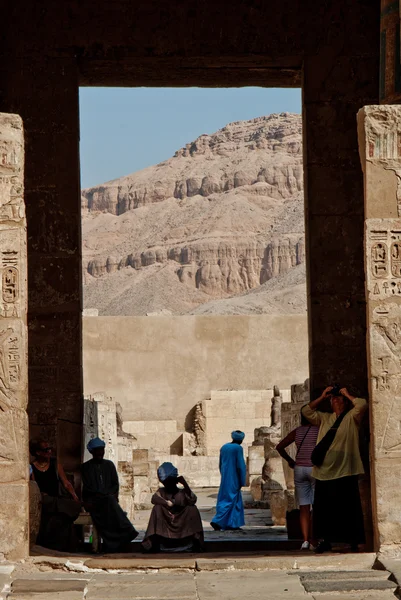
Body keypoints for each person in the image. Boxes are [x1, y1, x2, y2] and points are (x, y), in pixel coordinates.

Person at [302, 386, 367, 554]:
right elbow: (306, 411)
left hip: (346, 469)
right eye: (333, 399)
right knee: (324, 511)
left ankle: (353, 540)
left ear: (345, 402)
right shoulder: (324, 418)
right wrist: (322, 396)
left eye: (339, 399)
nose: (336, 401)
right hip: (325, 471)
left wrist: (346, 393)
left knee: (349, 509)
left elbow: (362, 404)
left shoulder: (352, 417)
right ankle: (325, 541)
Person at [81, 437, 138, 553]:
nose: (100, 452)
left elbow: (115, 485)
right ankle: (127, 531)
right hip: (93, 501)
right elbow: (89, 488)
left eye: (101, 449)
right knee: (109, 503)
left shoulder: (109, 465)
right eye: (97, 450)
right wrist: (105, 494)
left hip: (108, 500)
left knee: (110, 502)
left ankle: (113, 543)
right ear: (92, 452)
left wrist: (109, 494)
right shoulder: (85, 467)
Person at [276, 410, 319, 550]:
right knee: (316, 506)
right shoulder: (319, 430)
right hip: (314, 468)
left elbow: (280, 446)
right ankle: (314, 539)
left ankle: (305, 540)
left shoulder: (297, 431)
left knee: (304, 507)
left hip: (299, 468)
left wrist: (290, 461)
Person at [30, 439, 81, 551]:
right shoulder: (32, 467)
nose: (49, 452)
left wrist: (74, 496)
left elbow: (66, 483)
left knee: (63, 516)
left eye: (50, 449)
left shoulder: (55, 464)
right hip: (43, 499)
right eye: (46, 450)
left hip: (55, 499)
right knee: (49, 501)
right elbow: (34, 487)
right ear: (38, 452)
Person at [142, 462, 204, 552]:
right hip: (166, 529)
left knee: (192, 509)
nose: (167, 484)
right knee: (157, 509)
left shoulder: (182, 493)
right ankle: (158, 543)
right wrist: (167, 503)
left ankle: (190, 543)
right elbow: (154, 498)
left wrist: (185, 485)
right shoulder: (161, 492)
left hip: (183, 527)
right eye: (166, 482)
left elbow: (192, 499)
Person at [210, 430, 247, 531]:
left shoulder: (224, 447)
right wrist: (242, 480)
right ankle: (218, 521)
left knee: (226, 498)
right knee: (231, 499)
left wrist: (224, 474)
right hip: (234, 477)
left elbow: (220, 463)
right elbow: (240, 466)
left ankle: (232, 524)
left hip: (225, 476)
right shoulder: (238, 448)